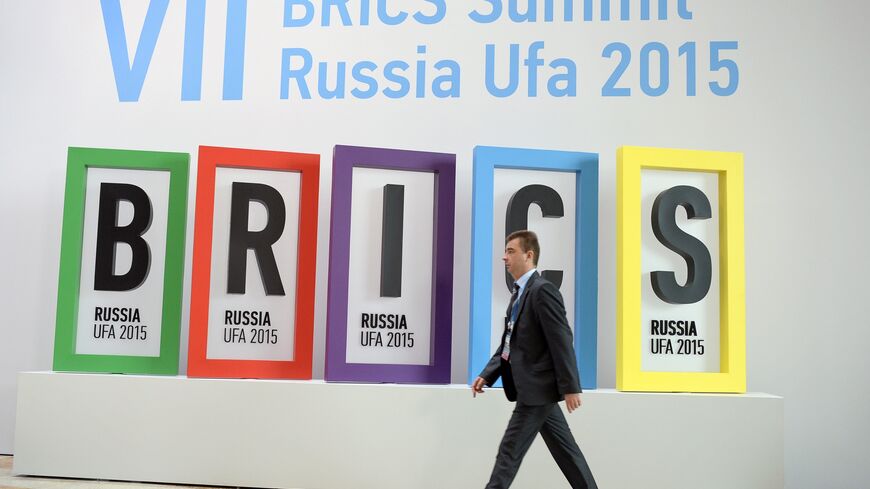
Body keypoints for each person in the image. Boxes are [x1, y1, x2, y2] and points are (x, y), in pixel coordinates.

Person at [472, 230, 598, 489]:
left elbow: (561, 339)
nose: (504, 257)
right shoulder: (519, 294)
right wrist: (488, 373)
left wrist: (571, 386)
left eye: (511, 251)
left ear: (529, 256)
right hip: (536, 390)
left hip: (536, 390)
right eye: (505, 251)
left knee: (508, 453)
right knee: (568, 454)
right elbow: (509, 343)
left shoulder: (543, 291)